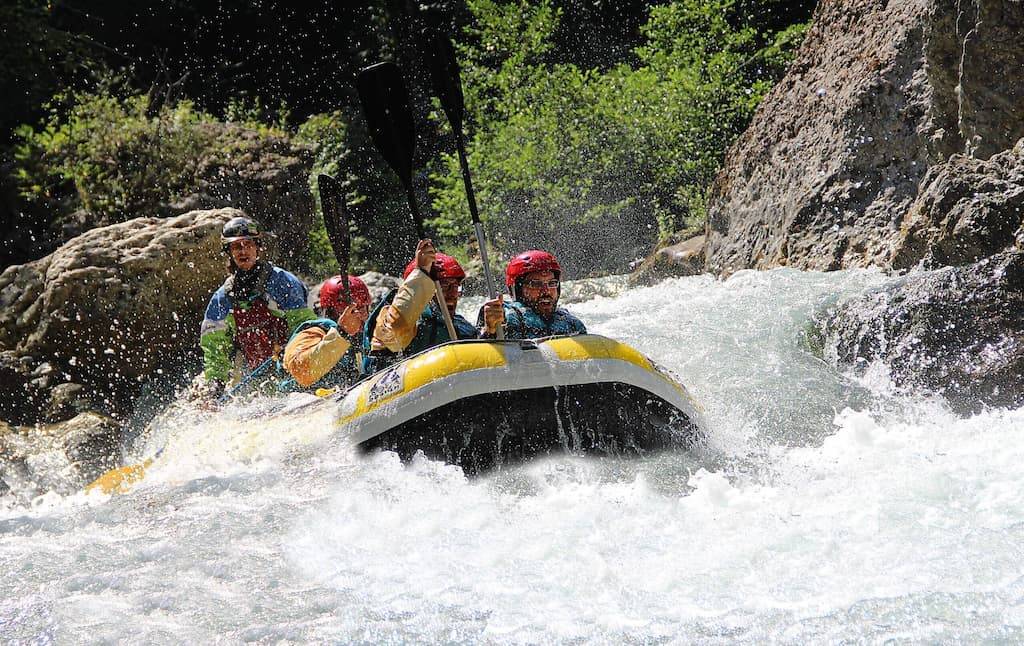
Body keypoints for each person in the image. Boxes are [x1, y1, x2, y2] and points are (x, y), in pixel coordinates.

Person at [198, 216, 316, 398]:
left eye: (248, 244)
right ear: (229, 252)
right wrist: (215, 388)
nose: (243, 251)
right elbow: (215, 350)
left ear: (258, 247)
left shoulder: (283, 282)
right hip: (252, 378)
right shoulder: (222, 299)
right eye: (236, 246)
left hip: (293, 366)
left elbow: (305, 327)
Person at [363, 239, 478, 373]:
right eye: (444, 286)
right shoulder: (390, 319)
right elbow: (396, 326)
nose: (453, 294)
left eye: (456, 286)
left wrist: (489, 330)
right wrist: (422, 273)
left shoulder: (461, 325)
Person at [281, 275, 372, 391]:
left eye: (363, 309)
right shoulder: (313, 331)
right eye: (351, 311)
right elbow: (301, 372)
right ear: (332, 312)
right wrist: (342, 332)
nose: (359, 316)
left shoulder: (366, 336)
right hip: (304, 402)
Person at [479, 250, 586, 339]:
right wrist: (489, 331)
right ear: (517, 289)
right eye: (535, 284)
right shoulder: (499, 315)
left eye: (552, 283)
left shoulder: (571, 323)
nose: (546, 291)